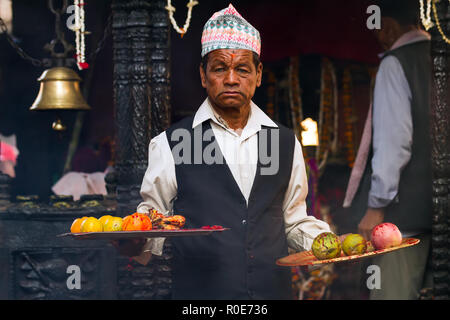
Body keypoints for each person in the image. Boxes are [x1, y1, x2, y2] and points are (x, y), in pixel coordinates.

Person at [115, 4, 336, 300]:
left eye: (242, 69)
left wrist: (325, 240)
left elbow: (293, 220)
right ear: (204, 76)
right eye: (220, 68)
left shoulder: (284, 142)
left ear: (258, 75)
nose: (231, 79)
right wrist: (134, 242)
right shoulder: (173, 142)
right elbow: (151, 220)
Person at [343, 0, 432, 299]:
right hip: (438, 215)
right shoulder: (441, 54)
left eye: (378, 30)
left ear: (389, 27)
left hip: (403, 220)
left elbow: (395, 145)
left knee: (392, 292)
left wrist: (375, 207)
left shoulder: (396, 63)